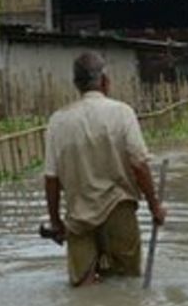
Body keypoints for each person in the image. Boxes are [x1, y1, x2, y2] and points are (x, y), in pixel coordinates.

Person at [44, 52, 167, 287]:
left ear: (76, 85)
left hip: (79, 215)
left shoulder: (58, 121)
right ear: (105, 81)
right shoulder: (122, 113)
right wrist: (155, 207)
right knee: (126, 284)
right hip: (118, 209)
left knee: (84, 286)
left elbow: (51, 179)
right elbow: (139, 165)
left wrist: (55, 222)